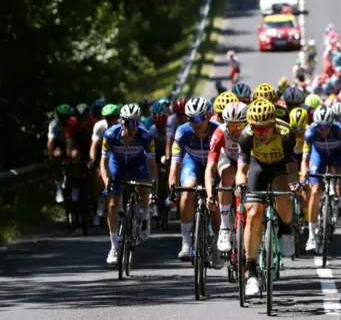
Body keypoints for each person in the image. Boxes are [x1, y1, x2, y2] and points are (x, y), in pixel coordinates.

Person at [235, 98, 297, 297]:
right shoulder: (246, 137)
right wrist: (239, 183)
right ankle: (251, 274)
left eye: (265, 129)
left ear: (273, 125)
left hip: (279, 167)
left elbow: (292, 167)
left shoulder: (286, 134)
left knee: (284, 195)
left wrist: (294, 182)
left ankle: (286, 228)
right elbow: (241, 168)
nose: (261, 133)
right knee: (253, 212)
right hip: (258, 166)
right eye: (257, 129)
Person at [168, 97, 223, 267]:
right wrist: (172, 187)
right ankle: (186, 242)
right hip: (191, 164)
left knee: (215, 199)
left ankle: (216, 242)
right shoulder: (182, 131)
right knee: (188, 189)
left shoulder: (218, 130)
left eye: (200, 118)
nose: (196, 123)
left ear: (208, 116)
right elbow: (175, 163)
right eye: (191, 119)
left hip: (213, 166)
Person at [100, 104, 158, 265]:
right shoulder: (110, 135)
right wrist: (107, 183)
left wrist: (153, 188)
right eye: (128, 123)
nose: (132, 127)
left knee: (144, 186)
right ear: (121, 121)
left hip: (138, 165)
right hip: (117, 166)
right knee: (112, 205)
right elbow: (103, 163)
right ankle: (114, 246)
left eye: (135, 123)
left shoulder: (146, 137)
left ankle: (145, 214)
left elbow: (152, 165)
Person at [300, 106, 341, 252]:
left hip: (336, 155)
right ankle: (311, 236)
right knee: (315, 191)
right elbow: (305, 160)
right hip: (319, 156)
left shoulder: (340, 132)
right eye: (319, 127)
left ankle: (340, 203)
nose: (323, 130)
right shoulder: (310, 132)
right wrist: (304, 177)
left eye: (326, 127)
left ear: (332, 124)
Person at [205, 101, 248, 254]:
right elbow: (210, 167)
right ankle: (224, 227)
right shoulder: (220, 133)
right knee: (228, 176)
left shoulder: (252, 132)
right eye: (231, 126)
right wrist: (210, 194)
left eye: (239, 126)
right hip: (227, 159)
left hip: (246, 160)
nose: (235, 131)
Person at [89, 104, 121, 223]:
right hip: (103, 153)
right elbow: (94, 145)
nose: (110, 120)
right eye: (107, 117)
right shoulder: (99, 126)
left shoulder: (122, 125)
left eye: (112, 117)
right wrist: (92, 159)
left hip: (118, 153)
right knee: (99, 177)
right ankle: (100, 204)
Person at [47, 104, 72, 203]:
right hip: (60, 143)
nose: (64, 119)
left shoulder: (73, 122)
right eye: (62, 117)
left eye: (66, 117)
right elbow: (50, 142)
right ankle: (59, 188)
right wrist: (51, 157)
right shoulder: (54, 124)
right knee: (56, 155)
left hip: (72, 142)